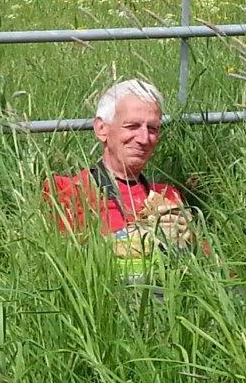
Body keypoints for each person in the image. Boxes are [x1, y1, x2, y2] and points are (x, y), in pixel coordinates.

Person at [44, 79, 194, 257]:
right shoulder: (65, 189)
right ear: (101, 129)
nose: (144, 138)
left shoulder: (168, 195)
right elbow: (57, 257)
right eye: (132, 126)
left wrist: (192, 243)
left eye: (153, 129)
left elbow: (213, 267)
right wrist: (133, 239)